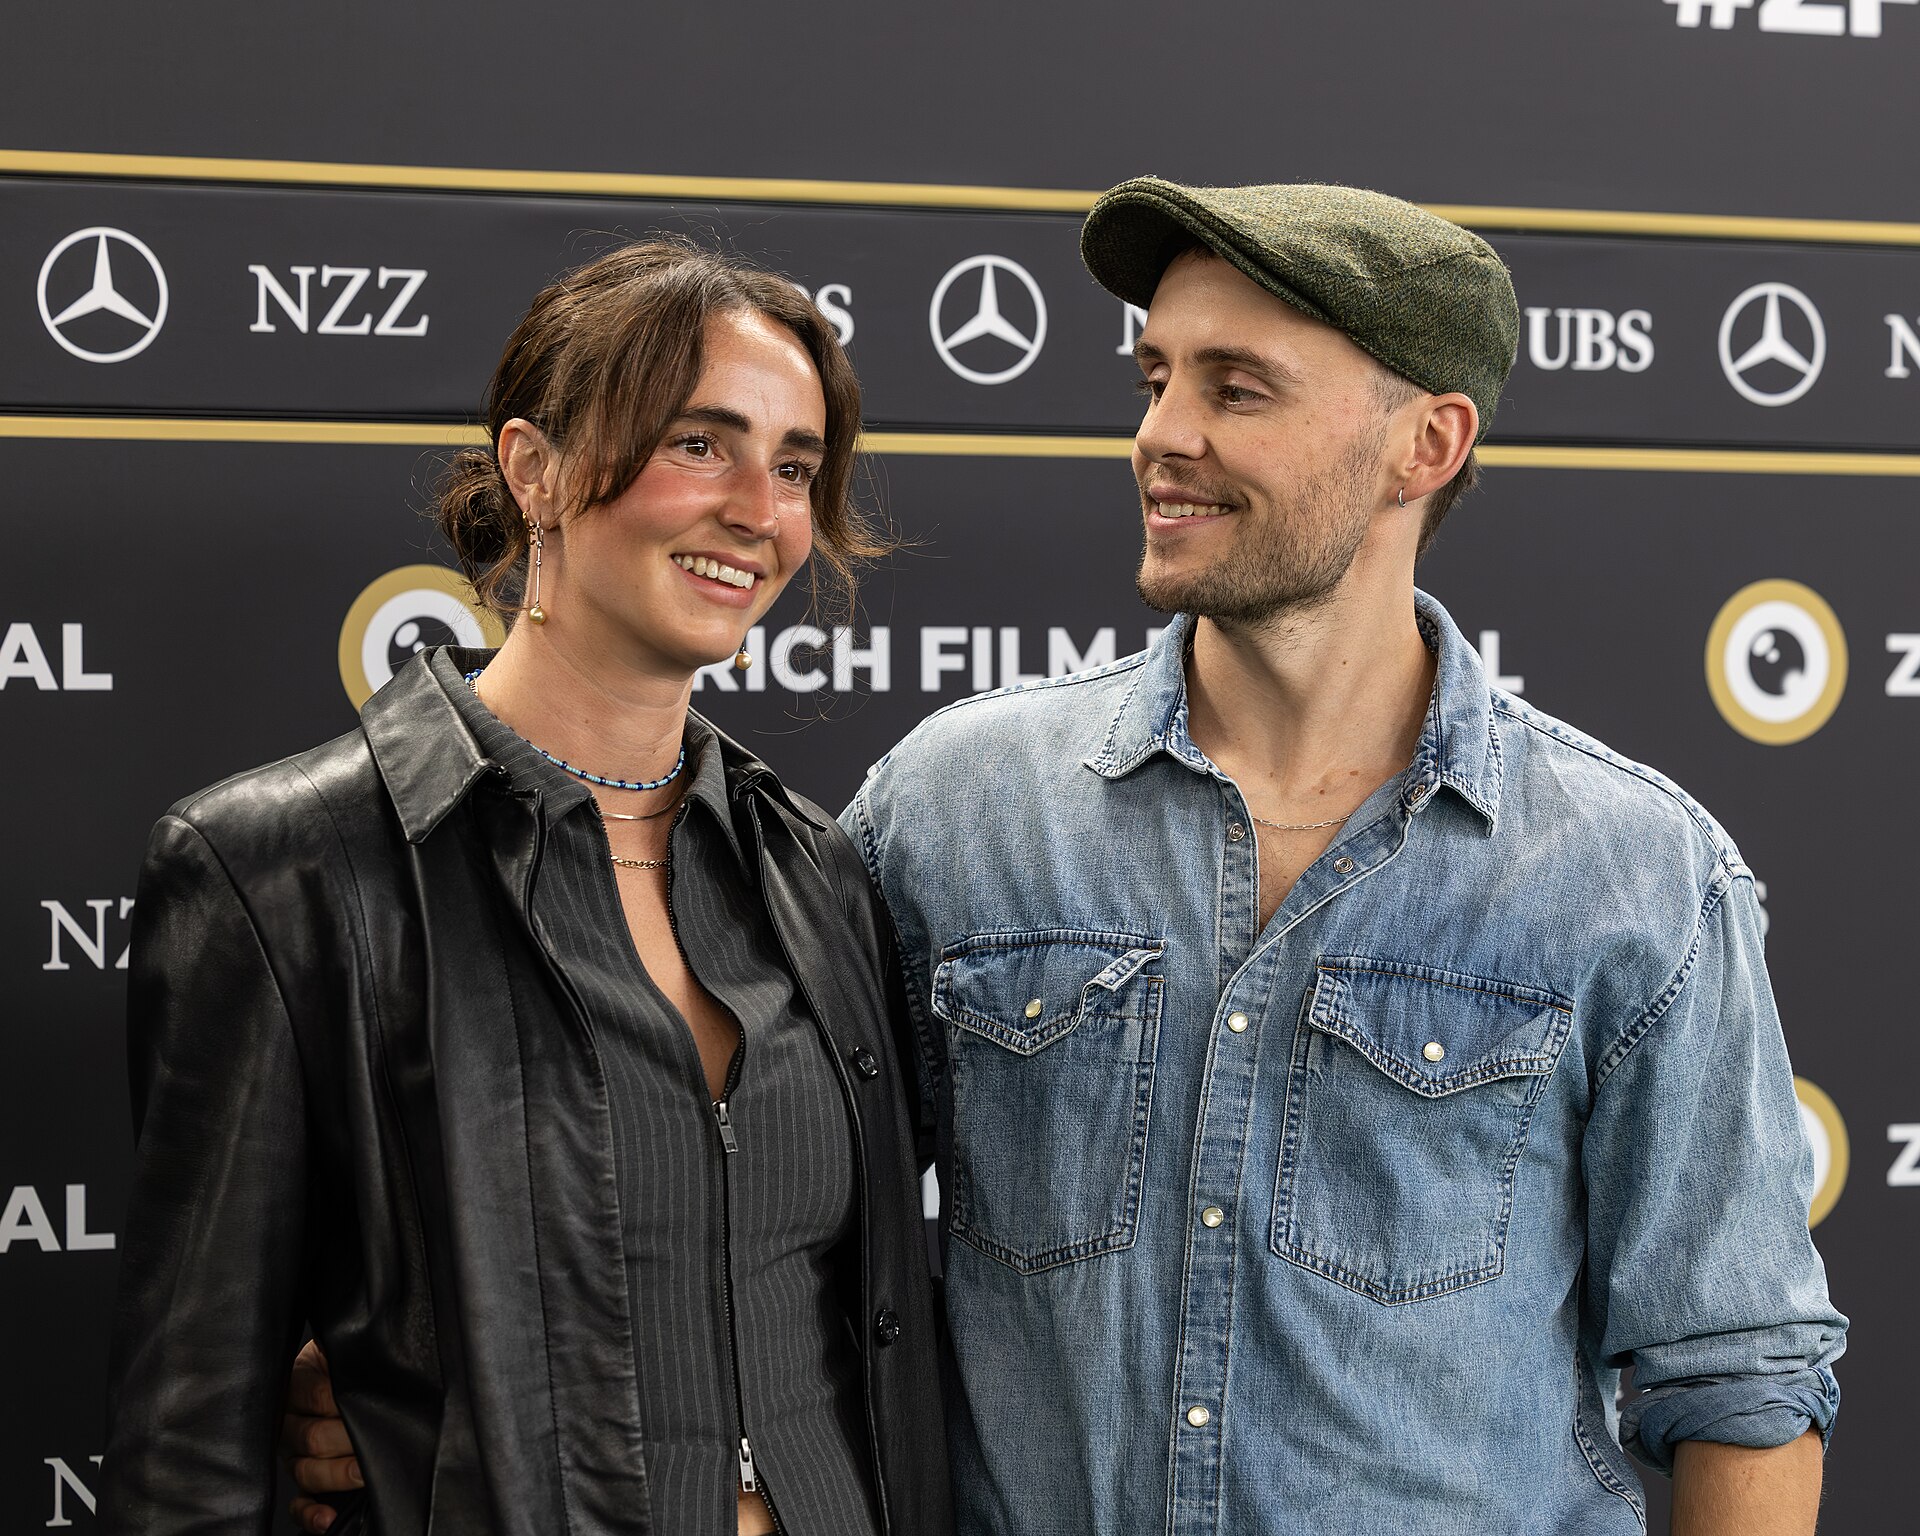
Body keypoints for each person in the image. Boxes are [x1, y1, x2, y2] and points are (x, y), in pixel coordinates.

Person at [291, 182, 1848, 1534]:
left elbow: (1742, 1384)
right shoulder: (955, 809)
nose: (1163, 435)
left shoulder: (1636, 875)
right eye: (1156, 377)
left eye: (1237, 388)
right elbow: (738, 1184)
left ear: (1423, 445)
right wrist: (428, 1357)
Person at [100, 238, 952, 1536]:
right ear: (534, 468)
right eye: (700, 444)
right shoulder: (283, 870)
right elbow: (184, 1458)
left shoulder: (813, 869)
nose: (759, 512)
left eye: (794, 467)